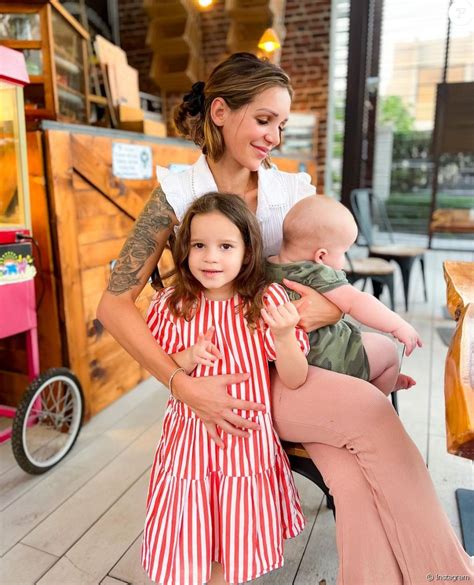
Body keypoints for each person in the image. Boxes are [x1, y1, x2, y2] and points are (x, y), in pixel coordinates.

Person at [97, 53, 473, 584]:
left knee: (349, 473)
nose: (274, 136)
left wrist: (319, 310)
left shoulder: (292, 191)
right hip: (239, 376)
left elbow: (328, 276)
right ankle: (449, 576)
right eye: (264, 119)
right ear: (222, 112)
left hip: (294, 360)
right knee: (368, 414)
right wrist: (181, 383)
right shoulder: (176, 194)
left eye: (282, 124)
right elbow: (113, 304)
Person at [142, 192, 310, 584]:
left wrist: (284, 335)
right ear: (185, 250)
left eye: (226, 246)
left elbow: (295, 377)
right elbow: (159, 364)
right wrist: (187, 358)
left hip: (245, 445)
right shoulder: (173, 305)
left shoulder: (263, 301)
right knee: (193, 531)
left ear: (248, 252)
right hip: (190, 441)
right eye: (199, 245)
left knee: (233, 533)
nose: (211, 258)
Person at [266, 195, 421, 395]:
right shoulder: (317, 273)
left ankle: (380, 379)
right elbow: (357, 302)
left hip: (293, 360)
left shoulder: (266, 267)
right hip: (332, 357)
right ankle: (378, 394)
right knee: (388, 350)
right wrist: (398, 325)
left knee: (367, 343)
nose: (345, 260)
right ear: (321, 256)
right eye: (344, 252)